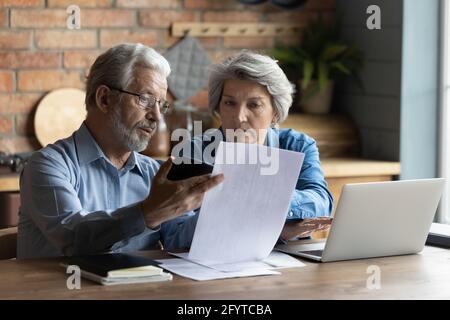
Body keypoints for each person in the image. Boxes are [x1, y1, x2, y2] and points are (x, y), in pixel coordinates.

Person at [17, 43, 224, 259]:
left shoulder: (155, 172)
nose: (157, 116)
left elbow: (177, 240)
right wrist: (147, 213)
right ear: (105, 99)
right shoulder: (46, 165)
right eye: (145, 100)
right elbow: (73, 239)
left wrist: (219, 208)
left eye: (161, 105)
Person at [185, 50, 334, 241]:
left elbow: (321, 202)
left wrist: (261, 199)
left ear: (275, 114)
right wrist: (272, 227)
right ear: (218, 107)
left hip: (287, 260)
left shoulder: (297, 146)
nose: (239, 117)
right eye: (230, 103)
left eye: (254, 105)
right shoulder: (194, 152)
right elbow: (175, 232)